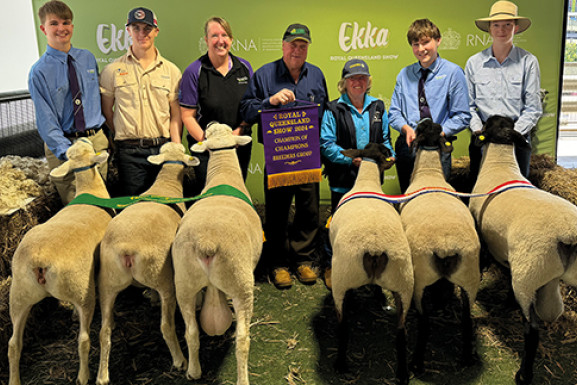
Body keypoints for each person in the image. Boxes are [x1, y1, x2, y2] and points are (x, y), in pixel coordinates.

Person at [240, 23, 328, 289]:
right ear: (283, 45)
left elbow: (324, 114)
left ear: (307, 48)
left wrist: (322, 150)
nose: (297, 50)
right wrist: (270, 101)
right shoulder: (265, 74)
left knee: (309, 210)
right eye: (292, 45)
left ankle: (304, 260)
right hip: (278, 156)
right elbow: (246, 110)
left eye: (302, 46)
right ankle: (278, 264)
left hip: (307, 154)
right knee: (277, 211)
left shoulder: (317, 75)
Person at [319, 58, 395, 288]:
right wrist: (352, 160)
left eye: (362, 77)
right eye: (353, 78)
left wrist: (389, 157)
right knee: (338, 222)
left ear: (368, 81)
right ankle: (332, 264)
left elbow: (385, 141)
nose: (358, 82)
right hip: (343, 179)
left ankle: (368, 265)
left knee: (370, 221)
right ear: (344, 82)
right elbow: (326, 144)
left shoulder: (378, 106)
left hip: (372, 181)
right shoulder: (333, 109)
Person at [29, 0, 108, 205]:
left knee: (102, 203)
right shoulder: (39, 72)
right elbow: (46, 120)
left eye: (66, 22)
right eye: (54, 23)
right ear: (43, 28)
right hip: (65, 146)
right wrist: (68, 153)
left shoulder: (87, 59)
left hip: (95, 142)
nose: (61, 28)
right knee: (78, 209)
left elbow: (96, 99)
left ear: (72, 26)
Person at [100, 7, 182, 196]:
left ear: (156, 31)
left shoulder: (171, 71)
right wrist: (123, 135)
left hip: (163, 148)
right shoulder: (112, 70)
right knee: (133, 209)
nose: (141, 34)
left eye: (147, 28)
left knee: (165, 205)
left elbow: (176, 114)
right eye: (136, 28)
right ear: (128, 30)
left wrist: (176, 149)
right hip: (129, 154)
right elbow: (107, 112)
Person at [389, 18, 470, 193]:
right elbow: (394, 112)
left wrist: (437, 134)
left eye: (426, 42)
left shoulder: (453, 73)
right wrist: (407, 130)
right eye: (415, 44)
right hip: (408, 144)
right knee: (408, 198)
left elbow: (462, 116)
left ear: (438, 40)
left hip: (437, 146)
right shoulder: (404, 74)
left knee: (436, 198)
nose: (421, 49)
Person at [466, 0, 542, 179]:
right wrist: (479, 130)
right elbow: (468, 106)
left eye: (508, 24)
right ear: (490, 29)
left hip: (516, 137)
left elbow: (533, 108)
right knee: (480, 189)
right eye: (496, 25)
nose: (502, 30)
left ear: (515, 28)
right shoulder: (474, 63)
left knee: (517, 192)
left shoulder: (528, 62)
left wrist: (511, 134)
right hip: (484, 136)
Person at [179, 17, 253, 195]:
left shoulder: (245, 67)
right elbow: (187, 115)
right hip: (207, 148)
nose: (220, 41)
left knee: (236, 194)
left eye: (225, 35)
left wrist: (238, 132)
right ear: (206, 40)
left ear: (231, 39)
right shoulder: (193, 71)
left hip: (238, 144)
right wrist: (208, 143)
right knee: (211, 196)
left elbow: (251, 107)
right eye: (214, 36)